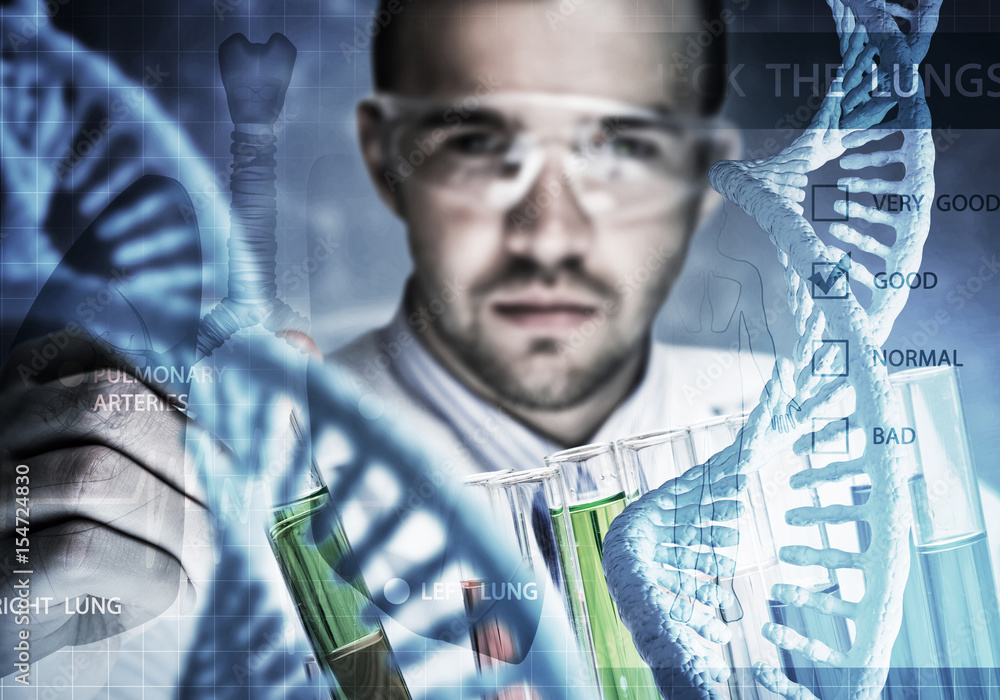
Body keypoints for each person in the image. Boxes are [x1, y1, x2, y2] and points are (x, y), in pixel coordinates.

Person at [0, 0, 763, 696]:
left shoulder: (853, 460)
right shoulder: (195, 503)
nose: (548, 234)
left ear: (706, 174)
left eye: (621, 141)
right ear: (383, 157)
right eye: (477, 140)